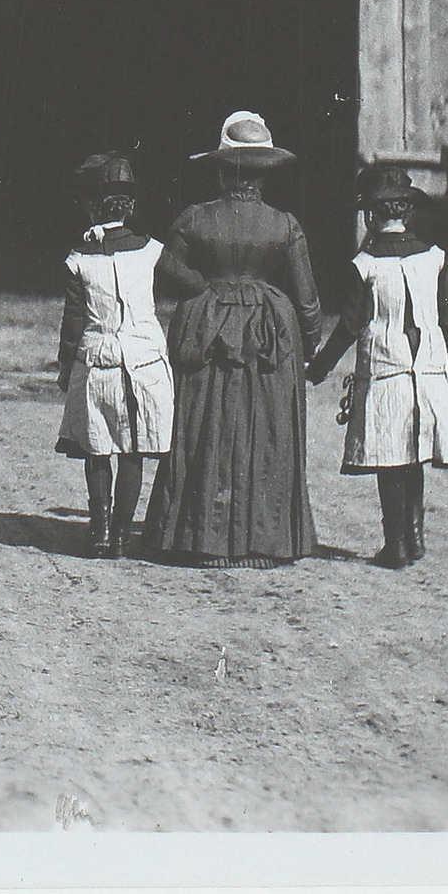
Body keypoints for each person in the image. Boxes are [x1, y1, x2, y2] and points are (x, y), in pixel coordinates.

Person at [140, 111, 321, 565]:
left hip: (207, 328)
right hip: (269, 332)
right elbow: (307, 300)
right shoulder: (284, 225)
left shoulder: (196, 218)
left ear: (221, 173)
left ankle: (202, 539)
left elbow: (164, 268)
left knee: (205, 423)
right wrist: (309, 345)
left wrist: (202, 288)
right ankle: (264, 543)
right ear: (265, 177)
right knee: (268, 428)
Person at [312, 163, 448, 567]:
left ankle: (396, 545)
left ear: (371, 216)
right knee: (414, 454)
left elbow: (349, 324)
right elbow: (447, 317)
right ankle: (414, 539)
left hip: (386, 370)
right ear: (408, 212)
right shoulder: (434, 259)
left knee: (390, 456)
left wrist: (320, 367)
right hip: (428, 369)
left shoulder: (366, 265)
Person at [55, 152, 173, 559]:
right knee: (134, 449)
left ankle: (99, 530)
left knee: (98, 447)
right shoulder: (153, 252)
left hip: (98, 362)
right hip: (143, 363)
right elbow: (190, 281)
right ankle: (123, 535)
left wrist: (65, 368)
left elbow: (72, 325)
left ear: (91, 207)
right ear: (132, 207)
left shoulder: (79, 260)